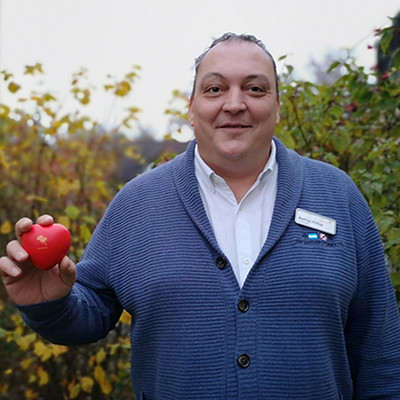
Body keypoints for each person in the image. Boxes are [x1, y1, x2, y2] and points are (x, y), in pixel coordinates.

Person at [1, 33, 400, 399]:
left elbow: (380, 348)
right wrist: (49, 303)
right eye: (214, 88)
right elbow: (88, 313)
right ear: (192, 109)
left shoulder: (337, 195)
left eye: (255, 88)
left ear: (278, 107)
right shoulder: (138, 204)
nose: (234, 103)